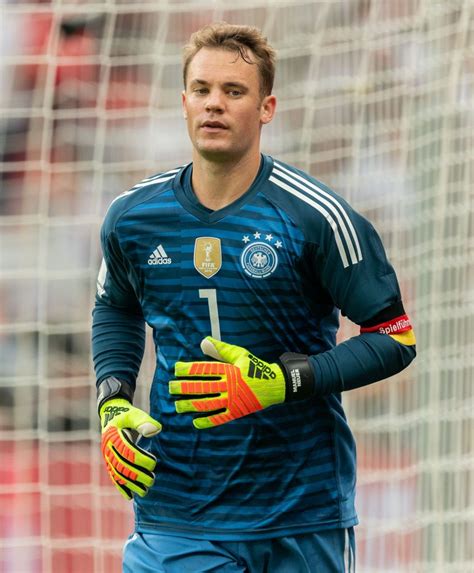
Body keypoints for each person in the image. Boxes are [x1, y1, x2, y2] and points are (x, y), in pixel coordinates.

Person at [92, 22, 416, 573]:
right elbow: (116, 306)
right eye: (202, 90)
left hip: (300, 511)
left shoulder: (317, 217)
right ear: (184, 100)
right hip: (178, 510)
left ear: (266, 107)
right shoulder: (133, 218)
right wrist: (114, 401)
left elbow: (394, 338)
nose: (214, 104)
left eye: (233, 92)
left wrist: (283, 381)